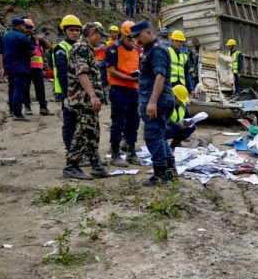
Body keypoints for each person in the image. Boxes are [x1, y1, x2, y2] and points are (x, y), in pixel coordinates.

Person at [63, 22, 110, 180]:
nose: (101, 40)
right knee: (84, 131)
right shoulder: (81, 48)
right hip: (83, 99)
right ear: (92, 34)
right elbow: (82, 73)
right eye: (100, 36)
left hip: (86, 99)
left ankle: (95, 163)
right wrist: (92, 95)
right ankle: (71, 165)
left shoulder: (85, 49)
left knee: (93, 131)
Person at [133, 20, 176, 185]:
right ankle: (170, 171)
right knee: (159, 136)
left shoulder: (157, 51)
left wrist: (152, 102)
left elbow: (160, 76)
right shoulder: (152, 49)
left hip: (157, 100)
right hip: (161, 98)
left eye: (139, 36)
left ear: (148, 32)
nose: (137, 40)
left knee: (152, 137)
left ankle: (160, 175)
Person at [106, 21, 141, 167]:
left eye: (134, 38)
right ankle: (115, 153)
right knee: (118, 121)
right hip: (119, 88)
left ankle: (131, 152)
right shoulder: (113, 48)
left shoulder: (136, 50)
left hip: (133, 88)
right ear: (123, 35)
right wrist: (128, 77)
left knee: (133, 121)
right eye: (129, 38)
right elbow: (111, 69)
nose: (132, 41)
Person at [54, 15, 83, 151]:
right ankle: (71, 151)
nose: (75, 33)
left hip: (80, 91)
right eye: (71, 30)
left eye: (77, 30)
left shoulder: (80, 46)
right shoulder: (61, 48)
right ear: (64, 31)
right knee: (70, 123)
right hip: (68, 91)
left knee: (80, 123)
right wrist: (67, 95)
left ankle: (78, 150)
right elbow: (62, 73)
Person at [1, 18, 34, 121]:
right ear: (19, 26)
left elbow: (1, 52)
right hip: (21, 66)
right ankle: (18, 113)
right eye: (24, 26)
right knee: (19, 90)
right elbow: (33, 52)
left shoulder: (5, 36)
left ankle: (12, 110)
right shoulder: (22, 37)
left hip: (9, 66)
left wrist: (2, 67)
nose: (25, 28)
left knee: (11, 89)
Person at [24, 19, 50, 115]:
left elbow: (49, 47)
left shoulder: (37, 37)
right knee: (25, 88)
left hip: (37, 67)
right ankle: (27, 107)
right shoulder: (20, 37)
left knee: (40, 88)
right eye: (27, 27)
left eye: (30, 27)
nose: (28, 30)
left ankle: (43, 107)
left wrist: (42, 39)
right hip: (25, 66)